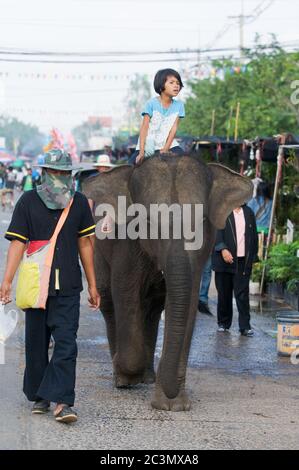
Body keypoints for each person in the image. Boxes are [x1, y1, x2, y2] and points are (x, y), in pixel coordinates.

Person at [0, 149, 100, 424]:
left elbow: (85, 245)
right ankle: (40, 395)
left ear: (71, 175)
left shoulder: (78, 203)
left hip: (68, 285)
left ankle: (63, 401)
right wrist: (7, 280)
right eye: (56, 173)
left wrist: (93, 284)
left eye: (65, 173)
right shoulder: (28, 201)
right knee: (36, 344)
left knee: (67, 343)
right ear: (45, 173)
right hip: (35, 286)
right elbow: (18, 243)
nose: (60, 178)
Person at [212, 205, 258, 337]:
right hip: (224, 259)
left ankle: (245, 326)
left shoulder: (249, 212)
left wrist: (252, 257)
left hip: (243, 261)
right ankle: (223, 323)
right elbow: (216, 232)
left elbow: (253, 236)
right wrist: (222, 249)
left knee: (242, 294)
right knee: (224, 293)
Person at [129, 68, 185, 165]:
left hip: (168, 143)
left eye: (178, 83)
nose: (176, 85)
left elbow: (173, 129)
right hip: (149, 142)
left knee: (185, 161)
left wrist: (166, 149)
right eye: (172, 82)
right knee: (130, 166)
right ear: (161, 86)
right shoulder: (151, 103)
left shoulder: (179, 105)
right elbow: (144, 128)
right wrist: (142, 151)